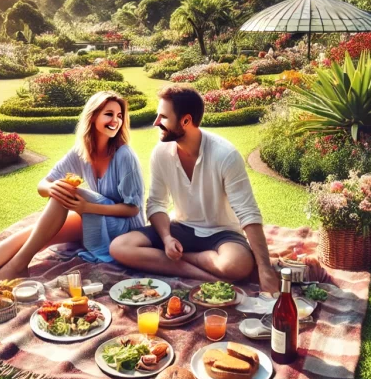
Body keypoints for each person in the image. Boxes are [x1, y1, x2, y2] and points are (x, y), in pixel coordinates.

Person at [0, 91, 144, 296]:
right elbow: (43, 184)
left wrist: (87, 208)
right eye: (109, 114)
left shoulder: (124, 155)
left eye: (119, 115)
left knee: (63, 192)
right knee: (31, 232)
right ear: (93, 117)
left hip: (122, 230)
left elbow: (133, 209)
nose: (116, 120)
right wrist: (51, 188)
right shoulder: (82, 151)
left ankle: (18, 265)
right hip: (97, 219)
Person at [109, 86, 280, 293]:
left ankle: (179, 263)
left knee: (237, 265)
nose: (155, 123)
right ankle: (204, 275)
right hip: (180, 228)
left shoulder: (225, 155)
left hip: (222, 234)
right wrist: (166, 239)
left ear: (186, 121)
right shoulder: (160, 153)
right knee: (119, 247)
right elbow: (156, 203)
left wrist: (265, 269)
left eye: (163, 117)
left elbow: (247, 212)